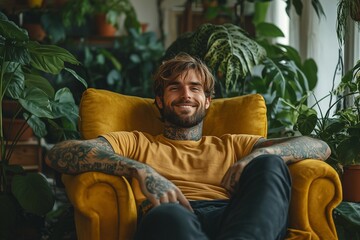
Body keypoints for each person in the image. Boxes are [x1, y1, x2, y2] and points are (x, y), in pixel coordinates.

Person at [46, 53, 331, 240]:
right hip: (172, 217)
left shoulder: (234, 144)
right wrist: (139, 169)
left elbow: (319, 147)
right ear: (159, 100)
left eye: (195, 88)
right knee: (168, 217)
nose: (186, 95)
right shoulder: (134, 141)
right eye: (175, 87)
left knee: (271, 164)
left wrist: (260, 154)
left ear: (208, 101)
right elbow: (60, 154)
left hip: (235, 219)